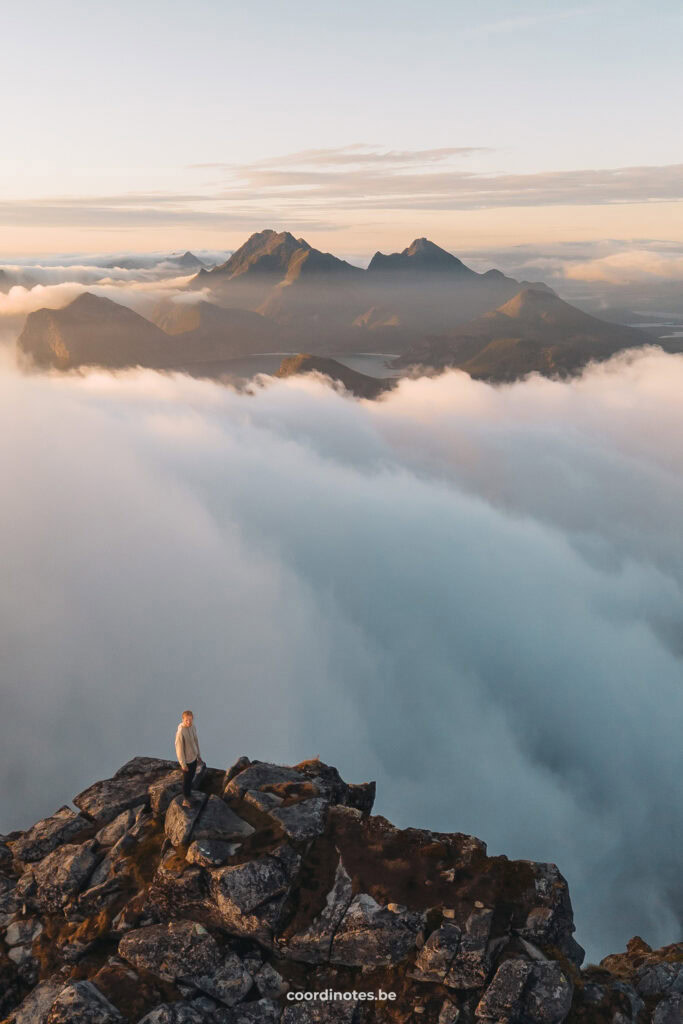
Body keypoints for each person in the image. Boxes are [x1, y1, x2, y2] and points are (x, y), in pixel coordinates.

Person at [175, 709, 203, 807]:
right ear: (183, 719)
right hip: (187, 761)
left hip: (194, 758)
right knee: (186, 780)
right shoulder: (181, 732)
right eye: (186, 720)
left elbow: (196, 741)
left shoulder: (193, 727)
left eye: (190, 720)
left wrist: (198, 755)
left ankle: (190, 795)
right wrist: (183, 764)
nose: (189, 722)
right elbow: (179, 749)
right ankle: (186, 799)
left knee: (191, 778)